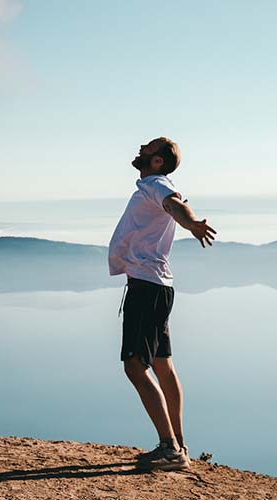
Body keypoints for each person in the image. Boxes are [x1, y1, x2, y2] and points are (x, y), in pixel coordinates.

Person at [108, 137, 216, 471]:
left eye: (148, 148)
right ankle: (178, 444)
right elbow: (173, 205)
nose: (140, 148)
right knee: (161, 363)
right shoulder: (153, 185)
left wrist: (192, 223)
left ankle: (170, 450)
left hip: (146, 286)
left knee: (134, 366)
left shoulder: (157, 185)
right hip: (155, 285)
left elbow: (175, 205)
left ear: (157, 161)